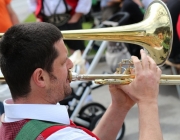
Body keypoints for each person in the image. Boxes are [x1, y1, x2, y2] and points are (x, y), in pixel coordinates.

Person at [0, 22, 163, 140]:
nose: (71, 64)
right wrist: (148, 101)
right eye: (64, 62)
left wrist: (120, 106)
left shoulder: (9, 121)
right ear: (41, 78)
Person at [27, 0, 91, 55]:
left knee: (77, 52)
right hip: (48, 22)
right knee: (52, 54)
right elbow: (32, 3)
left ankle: (82, 68)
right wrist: (38, 17)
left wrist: (76, 16)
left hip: (69, 19)